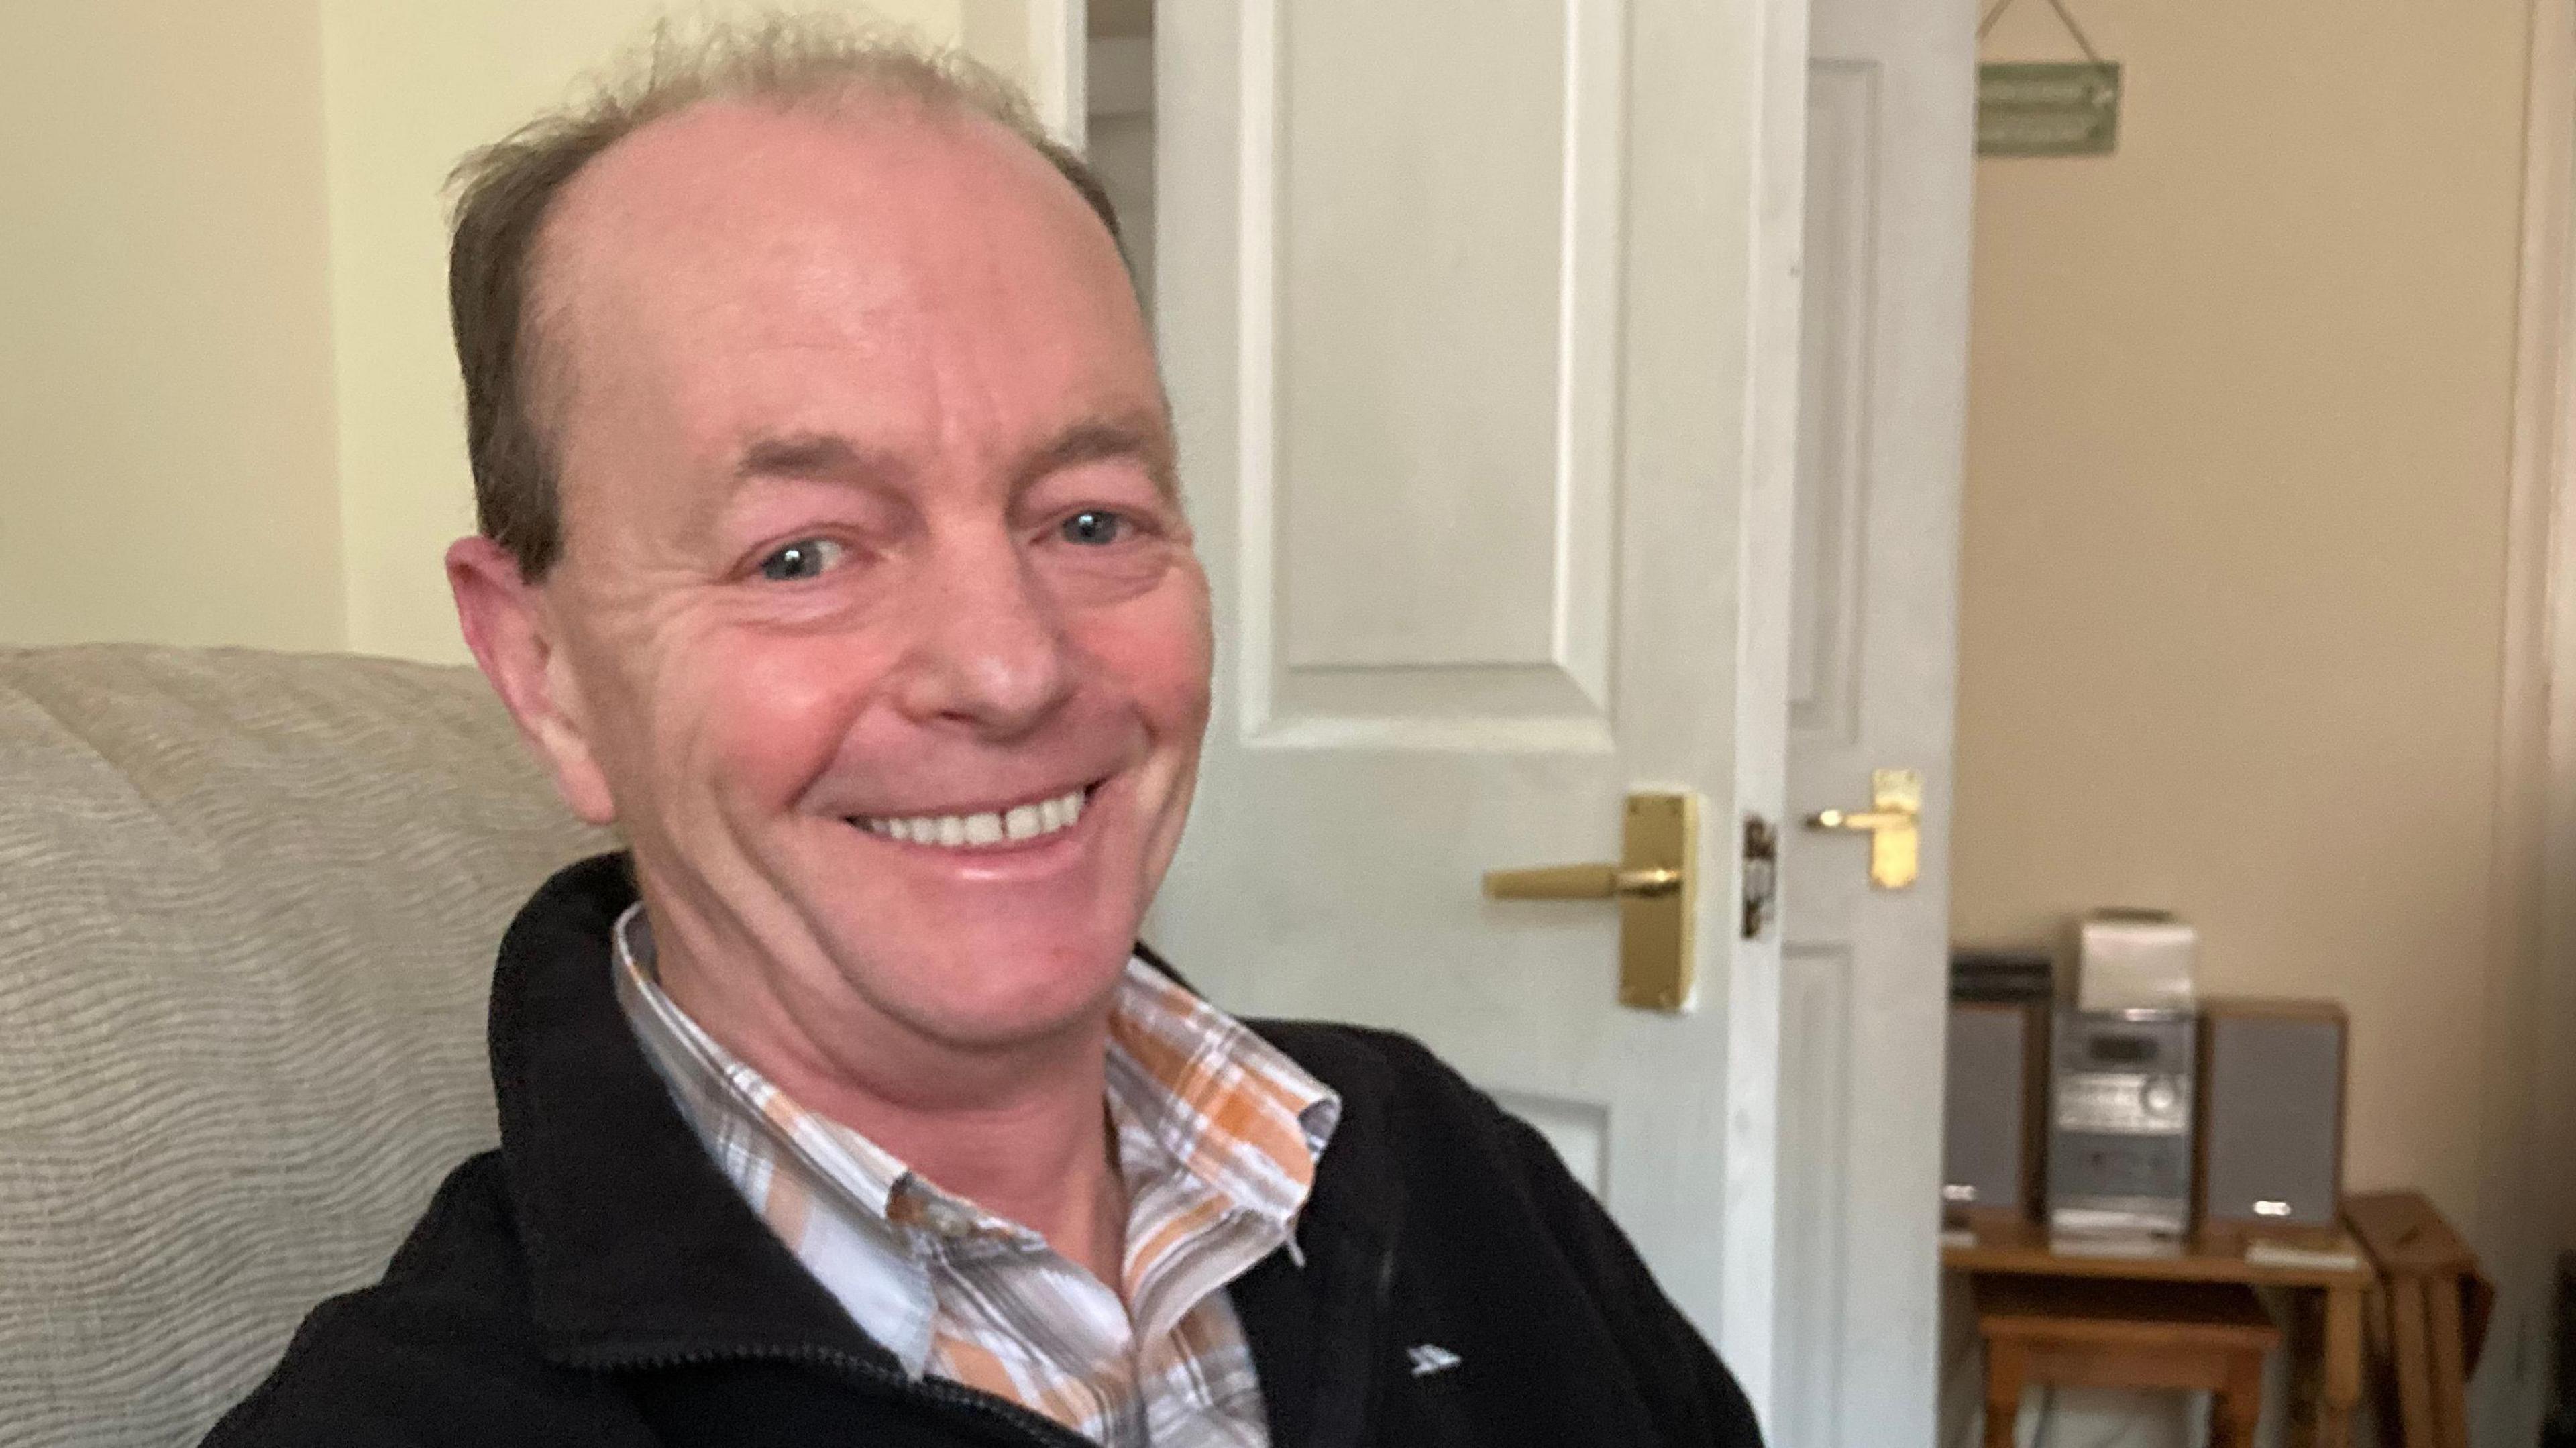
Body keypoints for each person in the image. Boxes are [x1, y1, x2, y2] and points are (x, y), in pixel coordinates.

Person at [204, 17, 1762, 1447]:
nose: (1012, 670)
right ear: (545, 670)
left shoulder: (1441, 1165)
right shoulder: (406, 1420)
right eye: (801, 553)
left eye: (1091, 518)